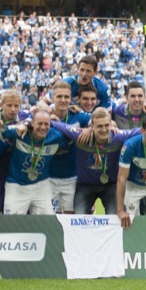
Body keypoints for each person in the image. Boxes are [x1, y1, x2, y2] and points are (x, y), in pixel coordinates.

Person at [52, 108, 140, 215]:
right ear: (92, 126)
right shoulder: (80, 136)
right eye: (99, 126)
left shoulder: (118, 137)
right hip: (85, 186)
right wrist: (50, 119)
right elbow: (62, 126)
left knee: (114, 217)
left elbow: (143, 130)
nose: (104, 129)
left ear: (111, 125)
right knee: (78, 218)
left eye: (106, 125)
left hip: (110, 186)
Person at [0, 110, 72, 215]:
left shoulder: (56, 136)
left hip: (41, 186)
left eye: (46, 124)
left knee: (48, 223)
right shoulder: (19, 132)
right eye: (39, 123)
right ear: (32, 123)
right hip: (16, 185)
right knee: (12, 224)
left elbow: (76, 133)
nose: (43, 127)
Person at [47, 81, 91, 213]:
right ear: (52, 98)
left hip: (71, 178)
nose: (63, 100)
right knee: (50, 217)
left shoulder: (78, 116)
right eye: (59, 97)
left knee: (70, 217)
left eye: (66, 97)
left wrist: (90, 129)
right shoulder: (44, 118)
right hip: (48, 178)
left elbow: (101, 120)